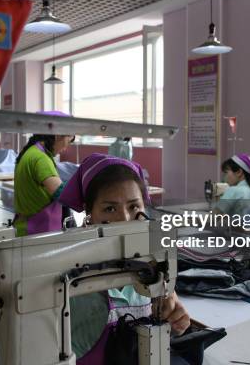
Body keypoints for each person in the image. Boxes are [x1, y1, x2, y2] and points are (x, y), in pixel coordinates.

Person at [59, 153, 190, 364]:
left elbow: (166, 318)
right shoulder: (73, 277)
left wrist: (175, 322)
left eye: (134, 207)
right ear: (89, 213)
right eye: (110, 208)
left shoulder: (152, 267)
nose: (125, 219)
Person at [13, 110, 74, 236]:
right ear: (58, 135)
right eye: (68, 141)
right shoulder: (41, 158)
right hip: (37, 231)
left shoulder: (30, 152)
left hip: (27, 228)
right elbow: (60, 193)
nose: (65, 148)